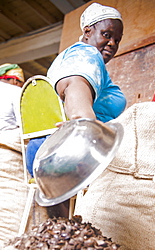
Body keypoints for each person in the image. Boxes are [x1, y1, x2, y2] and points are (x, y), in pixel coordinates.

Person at [26, 2, 126, 177]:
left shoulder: (68, 57)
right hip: (71, 150)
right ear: (87, 31)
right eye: (106, 35)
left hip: (46, 150)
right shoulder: (86, 54)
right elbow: (74, 84)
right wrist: (83, 123)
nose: (112, 43)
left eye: (117, 40)